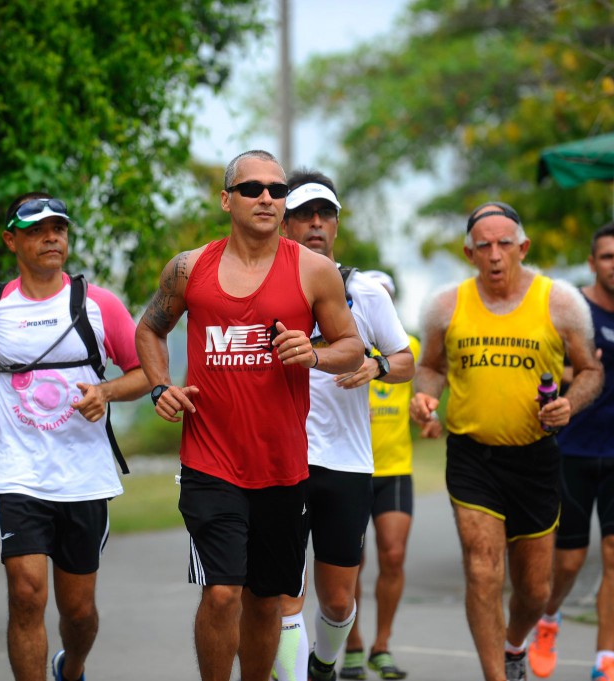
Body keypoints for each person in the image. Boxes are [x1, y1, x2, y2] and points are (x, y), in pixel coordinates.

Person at [134, 149, 365, 681]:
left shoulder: (314, 270)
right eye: (252, 188)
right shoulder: (190, 267)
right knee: (221, 593)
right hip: (210, 461)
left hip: (283, 466)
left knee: (266, 601)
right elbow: (150, 328)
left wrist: (315, 354)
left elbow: (351, 346)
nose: (267, 198)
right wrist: (159, 386)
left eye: (277, 190)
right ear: (226, 199)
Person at [0, 192, 148, 681]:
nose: (51, 237)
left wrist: (105, 391)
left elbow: (146, 372)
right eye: (37, 230)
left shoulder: (98, 304)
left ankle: (73, 666)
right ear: (11, 240)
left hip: (84, 477)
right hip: (18, 474)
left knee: (78, 613)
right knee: (25, 594)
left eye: (58, 228)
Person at [408, 201, 602, 681]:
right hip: (473, 456)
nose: (495, 255)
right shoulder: (445, 306)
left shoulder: (559, 302)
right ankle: (496, 675)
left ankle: (515, 645)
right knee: (482, 568)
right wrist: (425, 399)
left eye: (504, 245)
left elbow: (592, 372)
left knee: (535, 589)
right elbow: (430, 368)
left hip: (535, 457)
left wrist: (569, 404)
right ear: (469, 253)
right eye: (484, 246)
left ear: (523, 248)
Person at [275, 172, 414, 681]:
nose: (316, 223)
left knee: (337, 600)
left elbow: (406, 361)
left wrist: (377, 365)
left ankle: (324, 665)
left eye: (325, 214)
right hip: (282, 460)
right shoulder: (264, 286)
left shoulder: (365, 291)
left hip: (347, 462)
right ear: (285, 223)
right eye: (305, 214)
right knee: (286, 595)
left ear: (335, 224)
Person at [526, 222, 614, 681]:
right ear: (593, 262)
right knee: (567, 561)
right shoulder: (574, 308)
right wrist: (576, 375)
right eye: (608, 256)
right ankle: (548, 619)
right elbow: (543, 373)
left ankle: (606, 660)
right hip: (573, 450)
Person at [340, 270, 422, 681]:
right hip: (352, 467)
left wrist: (426, 412)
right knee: (349, 562)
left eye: (386, 297)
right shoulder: (341, 346)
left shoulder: (410, 349)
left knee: (393, 555)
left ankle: (381, 645)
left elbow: (423, 388)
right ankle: (352, 645)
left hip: (394, 469)